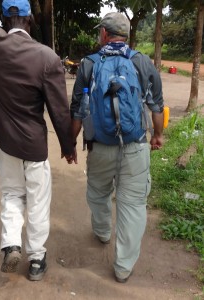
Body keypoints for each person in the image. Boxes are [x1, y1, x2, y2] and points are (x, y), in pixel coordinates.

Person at [0, 0, 76, 281]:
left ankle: (11, 244)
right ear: (29, 19)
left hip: (5, 143)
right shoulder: (47, 57)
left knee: (11, 195)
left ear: (4, 20)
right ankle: (37, 261)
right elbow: (59, 110)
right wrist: (68, 147)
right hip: (34, 146)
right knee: (38, 201)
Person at [70, 12, 164, 283]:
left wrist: (70, 144)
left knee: (98, 193)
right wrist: (157, 135)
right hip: (135, 147)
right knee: (133, 205)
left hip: (100, 147)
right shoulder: (142, 62)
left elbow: (77, 110)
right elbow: (156, 104)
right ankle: (123, 267)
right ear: (127, 36)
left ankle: (102, 232)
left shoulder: (89, 64)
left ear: (103, 34)